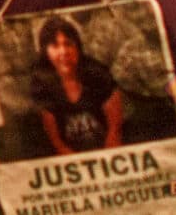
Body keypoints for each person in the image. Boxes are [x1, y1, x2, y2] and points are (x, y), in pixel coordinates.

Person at [30, 18, 123, 156]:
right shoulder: (41, 84)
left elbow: (115, 130)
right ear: (46, 51)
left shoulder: (97, 73)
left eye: (68, 44)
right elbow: (56, 142)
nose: (63, 52)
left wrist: (109, 152)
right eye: (55, 46)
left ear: (77, 47)